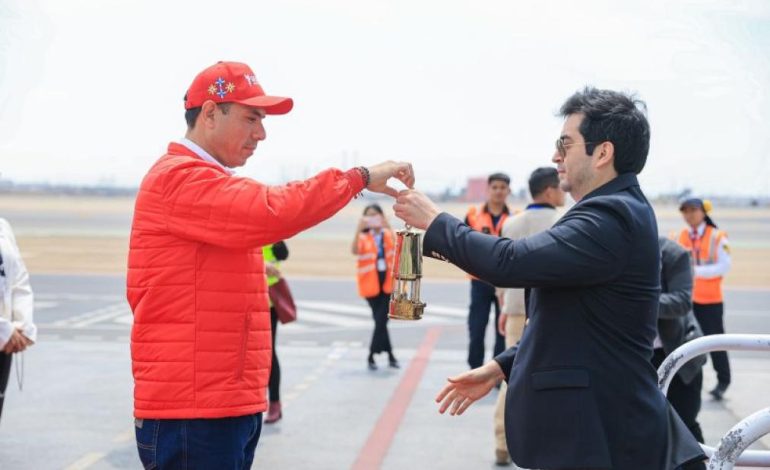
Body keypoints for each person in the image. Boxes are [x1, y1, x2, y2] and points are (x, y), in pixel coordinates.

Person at [394, 87, 705, 469]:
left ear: (603, 152)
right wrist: (504, 365)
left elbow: (509, 261)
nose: (555, 155)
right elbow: (575, 320)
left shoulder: (611, 216)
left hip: (600, 436)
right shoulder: (607, 211)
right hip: (592, 431)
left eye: (566, 143)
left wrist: (436, 221)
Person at [127, 60, 415, 469]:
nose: (261, 134)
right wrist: (359, 177)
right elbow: (272, 210)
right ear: (210, 113)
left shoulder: (205, 179)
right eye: (251, 118)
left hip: (221, 402)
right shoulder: (181, 178)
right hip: (194, 410)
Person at [492, 167, 565, 466]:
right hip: (551, 311)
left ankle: (501, 442)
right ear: (549, 191)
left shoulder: (512, 222)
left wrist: (504, 306)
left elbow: (500, 267)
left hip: (515, 307)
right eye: (560, 187)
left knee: (509, 375)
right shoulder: (564, 221)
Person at [675, 198, 732, 400]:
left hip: (710, 301)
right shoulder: (682, 235)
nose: (689, 215)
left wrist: (693, 272)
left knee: (716, 342)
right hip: (689, 300)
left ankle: (723, 380)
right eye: (685, 211)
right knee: (687, 341)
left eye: (693, 210)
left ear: (703, 212)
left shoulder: (717, 237)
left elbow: (724, 266)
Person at [655, 237, 707, 443]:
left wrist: (637, 300)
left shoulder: (673, 254)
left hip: (678, 354)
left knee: (684, 425)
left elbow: (682, 302)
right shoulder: (614, 253)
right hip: (636, 357)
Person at [464, 172, 512, 369]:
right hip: (480, 281)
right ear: (488, 189)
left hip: (505, 282)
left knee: (502, 329)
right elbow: (463, 244)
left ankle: (497, 372)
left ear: (508, 190)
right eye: (495, 187)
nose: (498, 191)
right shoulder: (473, 215)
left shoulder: (515, 217)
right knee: (477, 327)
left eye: (503, 187)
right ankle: (474, 368)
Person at [352, 204, 399, 370]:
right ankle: (390, 356)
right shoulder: (364, 236)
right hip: (370, 284)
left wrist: (388, 225)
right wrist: (359, 229)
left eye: (376, 215)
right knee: (381, 322)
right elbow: (354, 250)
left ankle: (372, 355)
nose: (373, 219)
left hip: (387, 283)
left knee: (381, 321)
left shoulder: (387, 234)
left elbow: (397, 247)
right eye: (369, 216)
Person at [0, 217, 37, 423]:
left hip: (5, 345)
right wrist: (5, 329)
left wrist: (22, 326)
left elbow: (18, 279)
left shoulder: (3, 226)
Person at [263, 241, 289, 424]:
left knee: (269, 354)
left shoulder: (271, 235)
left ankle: (274, 403)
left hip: (268, 303)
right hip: (245, 300)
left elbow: (283, 253)